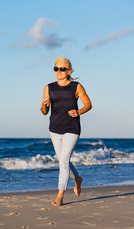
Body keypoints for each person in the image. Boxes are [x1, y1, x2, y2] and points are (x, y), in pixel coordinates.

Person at [41, 57, 92, 207]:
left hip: (72, 127)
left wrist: (79, 111)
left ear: (68, 71)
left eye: (62, 69)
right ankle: (77, 178)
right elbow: (44, 112)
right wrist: (44, 105)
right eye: (56, 69)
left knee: (63, 161)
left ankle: (60, 195)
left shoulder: (76, 86)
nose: (59, 71)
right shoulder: (48, 87)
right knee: (64, 161)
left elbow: (88, 104)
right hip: (54, 128)